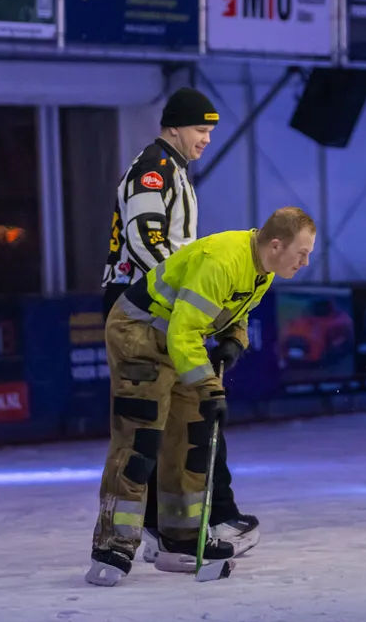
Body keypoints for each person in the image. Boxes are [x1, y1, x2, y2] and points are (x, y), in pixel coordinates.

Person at [86, 208, 317, 587]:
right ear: (276, 245)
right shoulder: (223, 261)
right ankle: (113, 545)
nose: (306, 261)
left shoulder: (264, 269)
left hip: (177, 341)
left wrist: (233, 339)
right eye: (302, 252)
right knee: (141, 438)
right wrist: (210, 388)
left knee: (192, 436)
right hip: (139, 334)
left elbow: (234, 309)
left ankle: (182, 538)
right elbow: (182, 332)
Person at [99, 88, 259, 562]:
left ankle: (170, 527)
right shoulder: (154, 170)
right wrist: (184, 299)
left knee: (180, 414)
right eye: (200, 130)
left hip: (159, 302)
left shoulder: (173, 169)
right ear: (173, 127)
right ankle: (166, 527)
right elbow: (146, 241)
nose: (207, 139)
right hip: (143, 304)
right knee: (155, 419)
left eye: (210, 131)